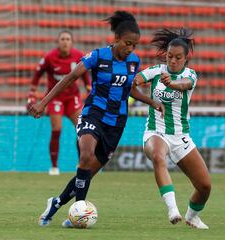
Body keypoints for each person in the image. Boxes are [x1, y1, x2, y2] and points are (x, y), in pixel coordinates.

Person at [27, 11, 164, 227]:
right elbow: (70, 78)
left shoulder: (133, 62)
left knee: (88, 173)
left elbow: (130, 90)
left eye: (134, 45)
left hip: (116, 122)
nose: (130, 49)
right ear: (116, 39)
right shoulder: (97, 56)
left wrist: (151, 102)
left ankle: (56, 203)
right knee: (86, 155)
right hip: (93, 113)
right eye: (127, 43)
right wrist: (43, 102)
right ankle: (80, 210)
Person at [132, 28, 211, 229]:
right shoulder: (156, 71)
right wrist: (150, 101)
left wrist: (172, 84)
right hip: (155, 132)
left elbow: (185, 84)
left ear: (186, 59)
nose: (172, 61)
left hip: (180, 136)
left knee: (204, 186)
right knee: (159, 156)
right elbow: (132, 84)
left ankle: (192, 217)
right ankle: (172, 209)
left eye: (177, 58)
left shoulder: (190, 75)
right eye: (169, 56)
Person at [27, 30, 91, 176]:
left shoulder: (77, 55)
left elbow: (85, 73)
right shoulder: (49, 57)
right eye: (62, 39)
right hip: (55, 98)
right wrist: (32, 93)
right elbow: (37, 74)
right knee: (57, 129)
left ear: (72, 42)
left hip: (72, 98)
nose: (65, 41)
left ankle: (81, 164)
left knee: (82, 129)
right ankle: (54, 167)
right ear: (58, 42)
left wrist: (88, 88)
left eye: (68, 39)